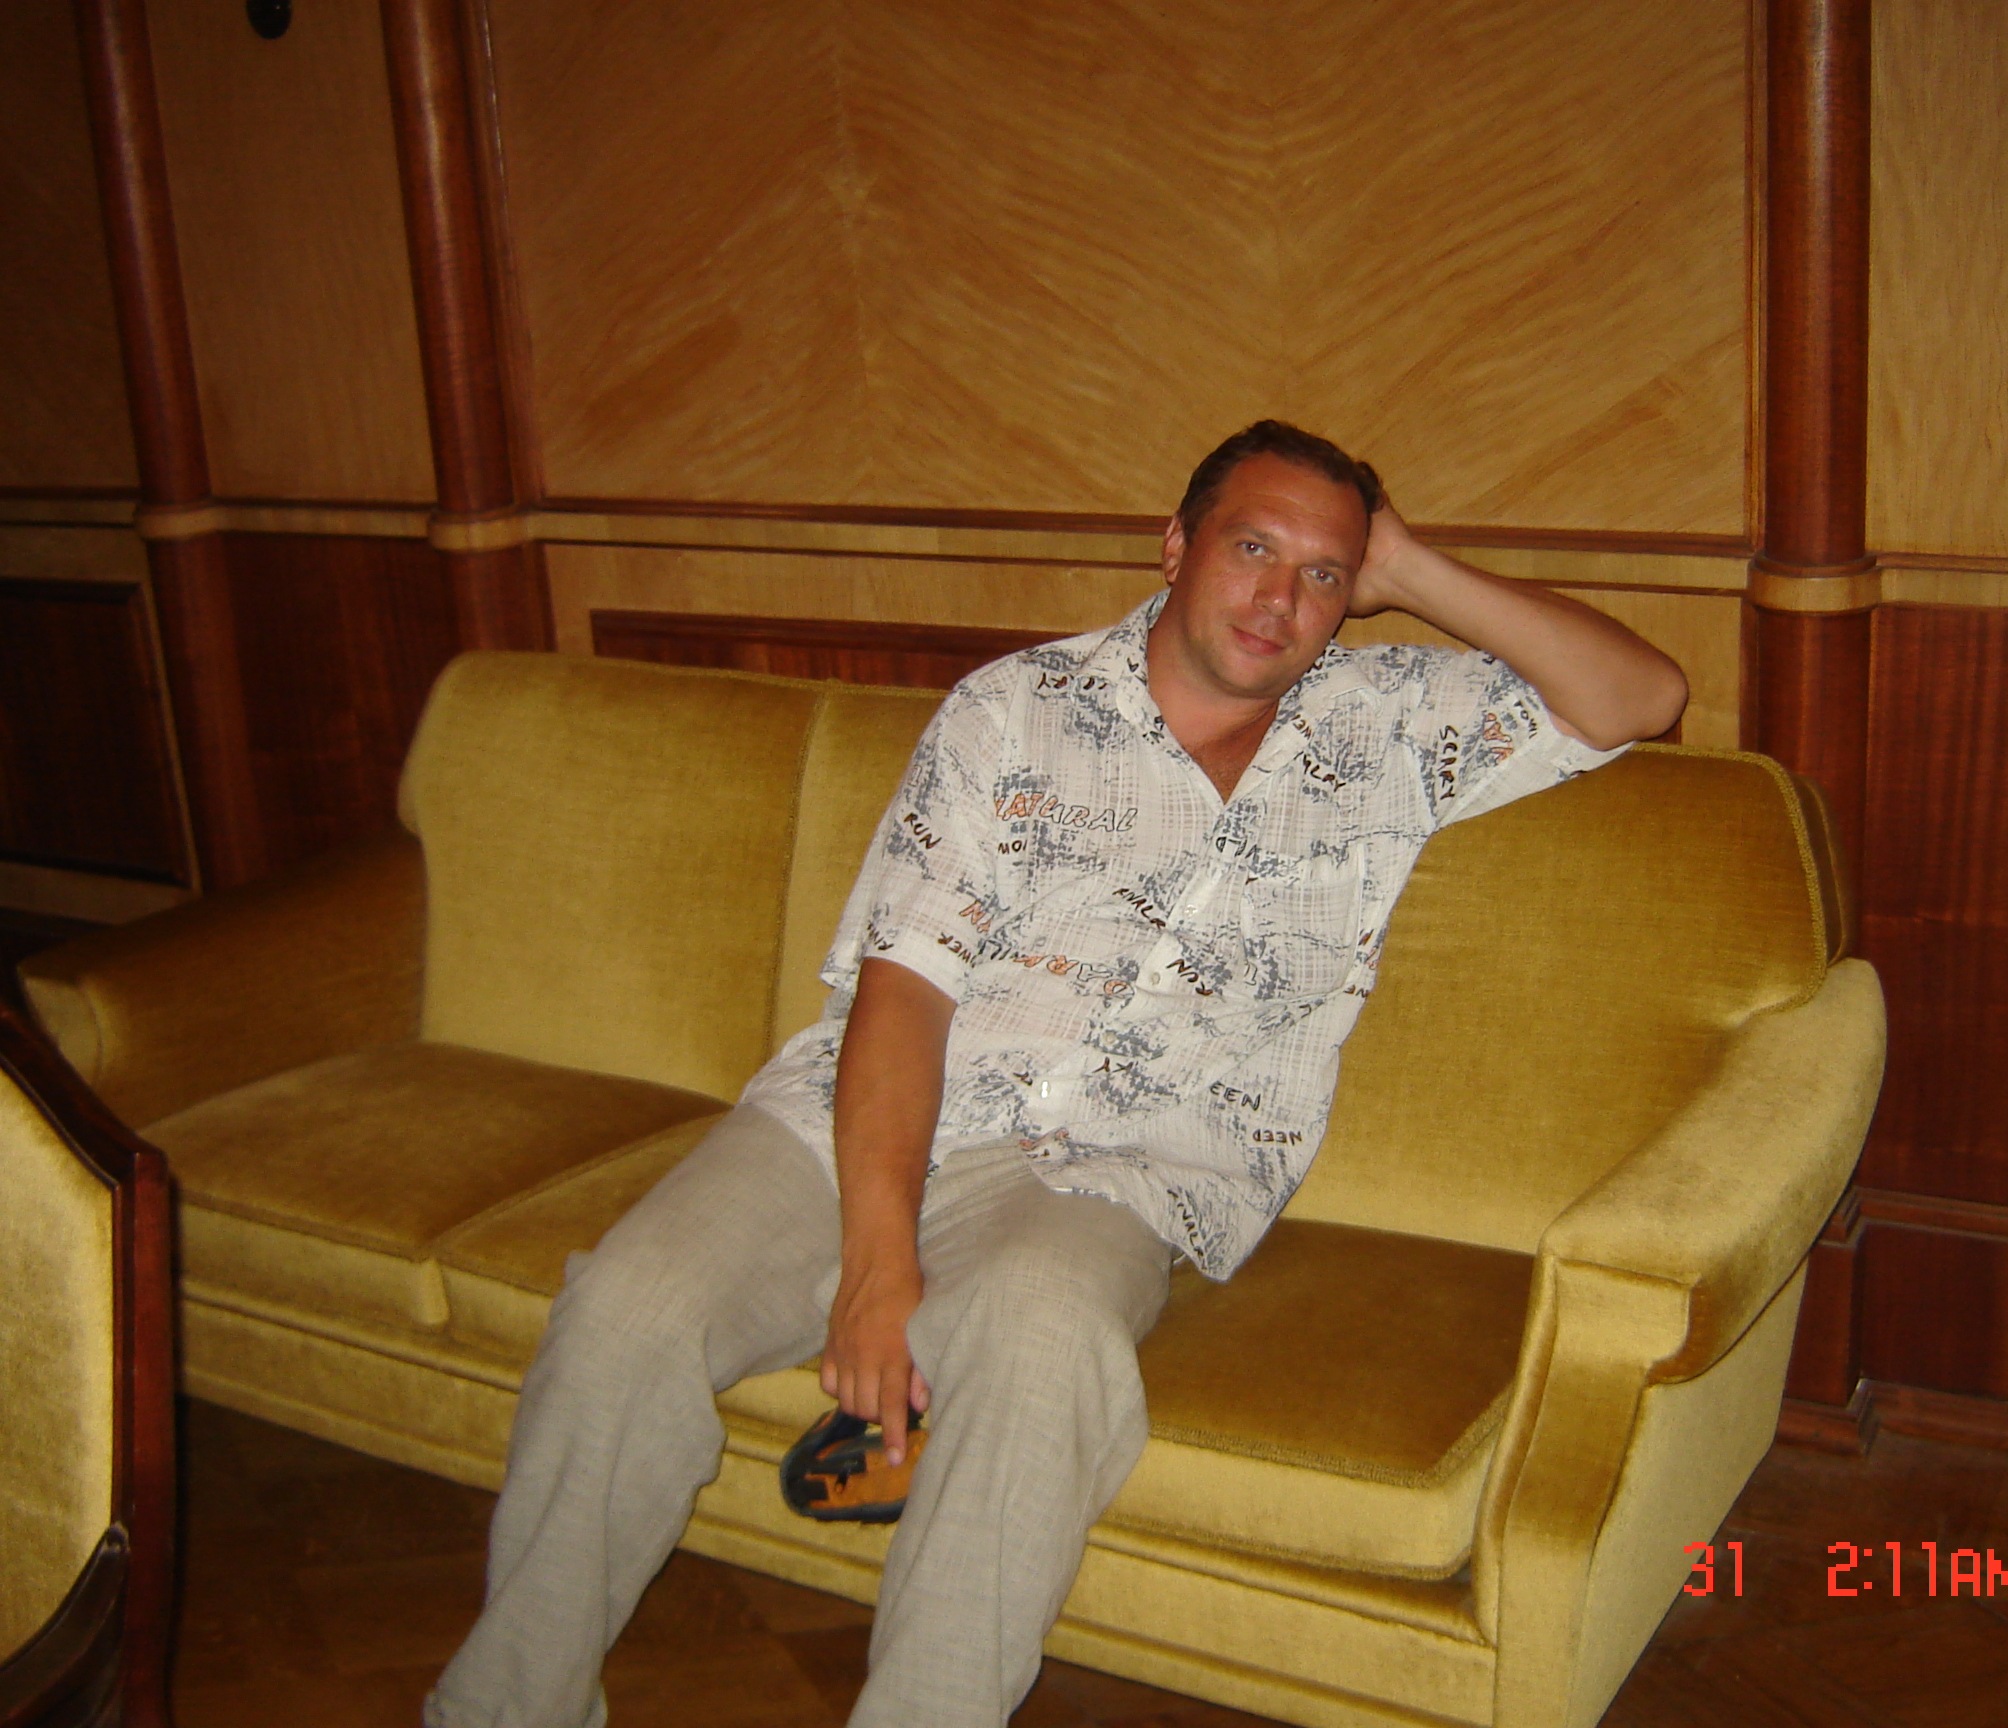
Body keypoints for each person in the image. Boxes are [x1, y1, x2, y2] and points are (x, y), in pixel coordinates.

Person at [424, 421, 1687, 1728]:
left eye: (1323, 573)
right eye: (1252, 549)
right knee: (624, 1314)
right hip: (884, 1112)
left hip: (1126, 1170)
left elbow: (1642, 698)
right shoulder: (1014, 712)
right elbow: (905, 989)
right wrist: (877, 1264)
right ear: (1175, 545)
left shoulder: (1392, 723)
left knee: (1042, 1340)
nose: (1281, 599)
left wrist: (1408, 566)